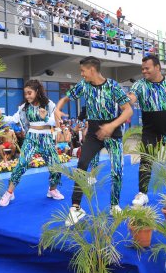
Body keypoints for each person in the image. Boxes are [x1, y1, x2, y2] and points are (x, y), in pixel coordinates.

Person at [56, 57, 133, 223]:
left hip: (112, 132)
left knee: (117, 170)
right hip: (92, 132)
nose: (81, 74)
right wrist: (57, 108)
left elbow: (128, 111)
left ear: (92, 70)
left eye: (83, 71)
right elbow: (66, 98)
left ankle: (114, 205)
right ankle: (76, 208)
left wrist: (111, 126)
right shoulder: (83, 85)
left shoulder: (113, 86)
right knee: (82, 164)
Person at [127, 55, 166, 207]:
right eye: (142, 69)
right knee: (145, 160)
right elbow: (132, 98)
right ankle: (142, 193)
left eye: (147, 68)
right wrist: (125, 100)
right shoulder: (140, 85)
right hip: (150, 130)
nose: (144, 71)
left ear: (157, 67)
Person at [0, 80, 63, 207]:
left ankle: (52, 190)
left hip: (46, 137)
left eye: (30, 93)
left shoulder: (49, 104)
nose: (27, 96)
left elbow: (56, 122)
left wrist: (45, 118)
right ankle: (9, 193)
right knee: (22, 163)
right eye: (25, 94)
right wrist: (1, 116)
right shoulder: (24, 107)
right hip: (31, 137)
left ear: (37, 91)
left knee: (55, 166)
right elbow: (14, 119)